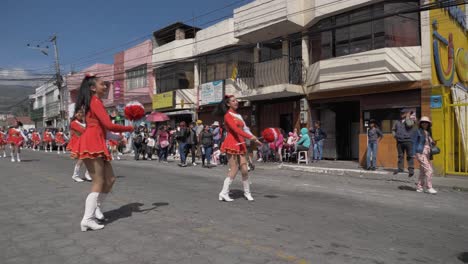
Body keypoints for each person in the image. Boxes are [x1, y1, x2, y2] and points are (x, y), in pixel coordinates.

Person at [70, 73, 134, 232]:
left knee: (110, 179)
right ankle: (87, 219)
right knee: (98, 182)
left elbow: (103, 128)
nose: (105, 86)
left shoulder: (96, 102)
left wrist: (117, 137)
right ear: (93, 88)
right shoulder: (94, 101)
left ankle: (96, 208)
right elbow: (108, 124)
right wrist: (128, 128)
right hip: (92, 142)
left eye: (105, 84)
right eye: (102, 84)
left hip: (97, 140)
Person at [215, 95, 261, 202]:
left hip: (241, 143)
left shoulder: (239, 115)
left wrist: (255, 139)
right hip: (232, 143)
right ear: (228, 104)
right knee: (234, 168)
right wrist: (250, 137)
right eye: (233, 101)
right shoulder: (227, 115)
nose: (236, 102)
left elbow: (245, 129)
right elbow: (236, 130)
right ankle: (224, 193)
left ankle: (247, 193)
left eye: (237, 100)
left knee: (245, 169)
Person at [412, 116, 438, 194]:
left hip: (427, 153)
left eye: (426, 123)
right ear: (420, 124)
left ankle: (419, 187)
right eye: (423, 122)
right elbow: (414, 142)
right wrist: (413, 153)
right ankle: (429, 187)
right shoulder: (418, 131)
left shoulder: (428, 132)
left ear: (428, 124)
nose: (425, 124)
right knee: (429, 170)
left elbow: (429, 143)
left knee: (423, 171)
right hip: (420, 153)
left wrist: (433, 142)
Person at [68, 109, 92, 183]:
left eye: (81, 112)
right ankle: (75, 175)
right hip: (78, 142)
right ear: (75, 114)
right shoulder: (73, 123)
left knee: (89, 158)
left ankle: (87, 174)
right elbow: (83, 131)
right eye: (78, 113)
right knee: (82, 159)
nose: (80, 114)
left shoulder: (84, 122)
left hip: (86, 142)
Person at [392, 109, 416, 177]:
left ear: (406, 113)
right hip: (399, 141)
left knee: (410, 156)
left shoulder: (411, 120)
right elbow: (393, 129)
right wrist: (395, 136)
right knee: (400, 155)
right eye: (401, 113)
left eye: (403, 113)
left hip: (408, 141)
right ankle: (400, 168)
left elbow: (409, 125)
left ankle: (411, 170)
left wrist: (407, 117)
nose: (402, 114)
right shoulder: (397, 122)